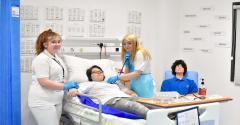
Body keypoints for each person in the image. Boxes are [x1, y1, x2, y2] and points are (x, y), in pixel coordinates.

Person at [28, 29, 79, 125]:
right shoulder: (41, 59)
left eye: (59, 42)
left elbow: (61, 78)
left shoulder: (56, 57)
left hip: (56, 100)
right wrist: (65, 86)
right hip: (42, 101)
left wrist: (69, 87)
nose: (57, 44)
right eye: (53, 42)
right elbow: (44, 82)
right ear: (45, 44)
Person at [68, 65, 150, 118]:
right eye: (95, 72)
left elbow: (126, 90)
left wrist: (133, 94)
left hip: (126, 97)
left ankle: (160, 116)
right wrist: (73, 89)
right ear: (90, 76)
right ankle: (157, 120)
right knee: (133, 106)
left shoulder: (112, 84)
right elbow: (76, 89)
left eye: (100, 71)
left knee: (150, 103)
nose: (99, 73)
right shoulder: (89, 84)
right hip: (111, 100)